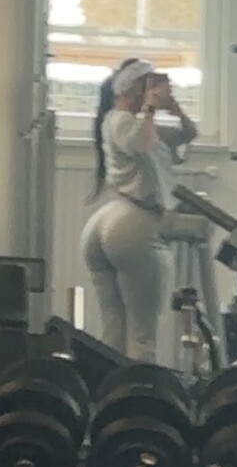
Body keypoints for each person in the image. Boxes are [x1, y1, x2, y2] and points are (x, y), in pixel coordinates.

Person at [81, 58, 198, 362]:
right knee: (142, 334)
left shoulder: (141, 124)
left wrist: (174, 108)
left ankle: (111, 381)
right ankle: (140, 385)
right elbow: (141, 146)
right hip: (135, 222)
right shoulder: (119, 120)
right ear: (135, 89)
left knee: (115, 326)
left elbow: (189, 134)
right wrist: (149, 109)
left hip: (112, 220)